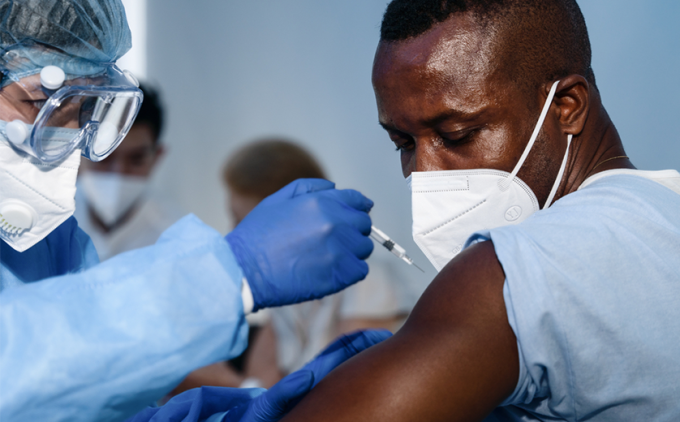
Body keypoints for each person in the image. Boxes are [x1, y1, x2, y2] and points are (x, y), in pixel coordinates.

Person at [279, 0, 680, 421]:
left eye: (457, 134)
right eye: (403, 144)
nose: (424, 174)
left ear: (567, 106)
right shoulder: (662, 212)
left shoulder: (518, 269)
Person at [0, 1, 381, 421]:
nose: (66, 132)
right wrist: (229, 275)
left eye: (83, 106)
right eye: (43, 99)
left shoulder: (52, 238)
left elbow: (76, 403)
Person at [222, 139, 414, 387]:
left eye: (241, 223)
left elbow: (349, 387)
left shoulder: (370, 279)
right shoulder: (285, 289)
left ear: (292, 219)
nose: (232, 235)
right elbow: (257, 384)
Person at [75, 82, 183, 261]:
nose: (118, 172)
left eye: (136, 159)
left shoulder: (177, 238)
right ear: (79, 150)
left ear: (157, 157)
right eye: (104, 155)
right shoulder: (45, 225)